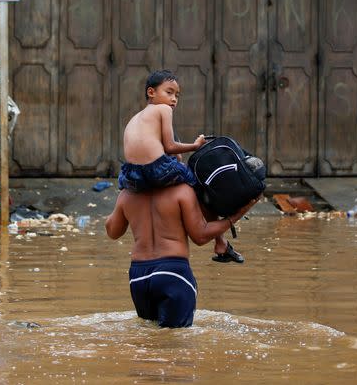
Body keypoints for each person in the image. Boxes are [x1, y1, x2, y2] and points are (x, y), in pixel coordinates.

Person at [118, 69, 243, 263]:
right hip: (157, 169)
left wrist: (174, 154)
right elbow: (169, 145)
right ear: (151, 92)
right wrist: (195, 145)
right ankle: (221, 243)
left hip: (131, 174)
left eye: (177, 95)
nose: (174, 99)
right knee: (200, 187)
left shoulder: (136, 118)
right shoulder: (163, 110)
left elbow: (155, 146)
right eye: (169, 92)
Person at [105, 184, 259, 328]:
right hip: (173, 274)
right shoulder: (182, 191)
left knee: (149, 339)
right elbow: (201, 236)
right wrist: (236, 215)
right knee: (177, 343)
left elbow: (112, 232)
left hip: (138, 277)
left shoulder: (128, 194)